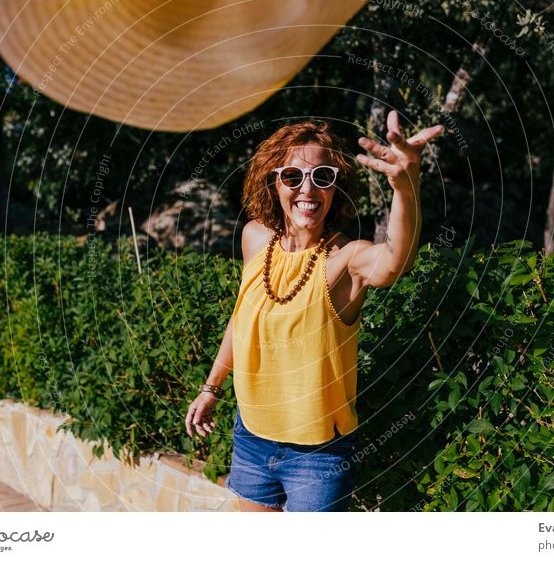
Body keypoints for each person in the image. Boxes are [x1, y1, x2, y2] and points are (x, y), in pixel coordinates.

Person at [185, 110, 444, 511]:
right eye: (293, 176)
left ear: (335, 189)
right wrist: (211, 386)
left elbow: (397, 260)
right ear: (273, 182)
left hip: (318, 455)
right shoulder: (255, 238)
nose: (307, 188)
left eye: (322, 177)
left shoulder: (346, 260)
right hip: (251, 436)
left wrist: (405, 188)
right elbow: (242, 319)